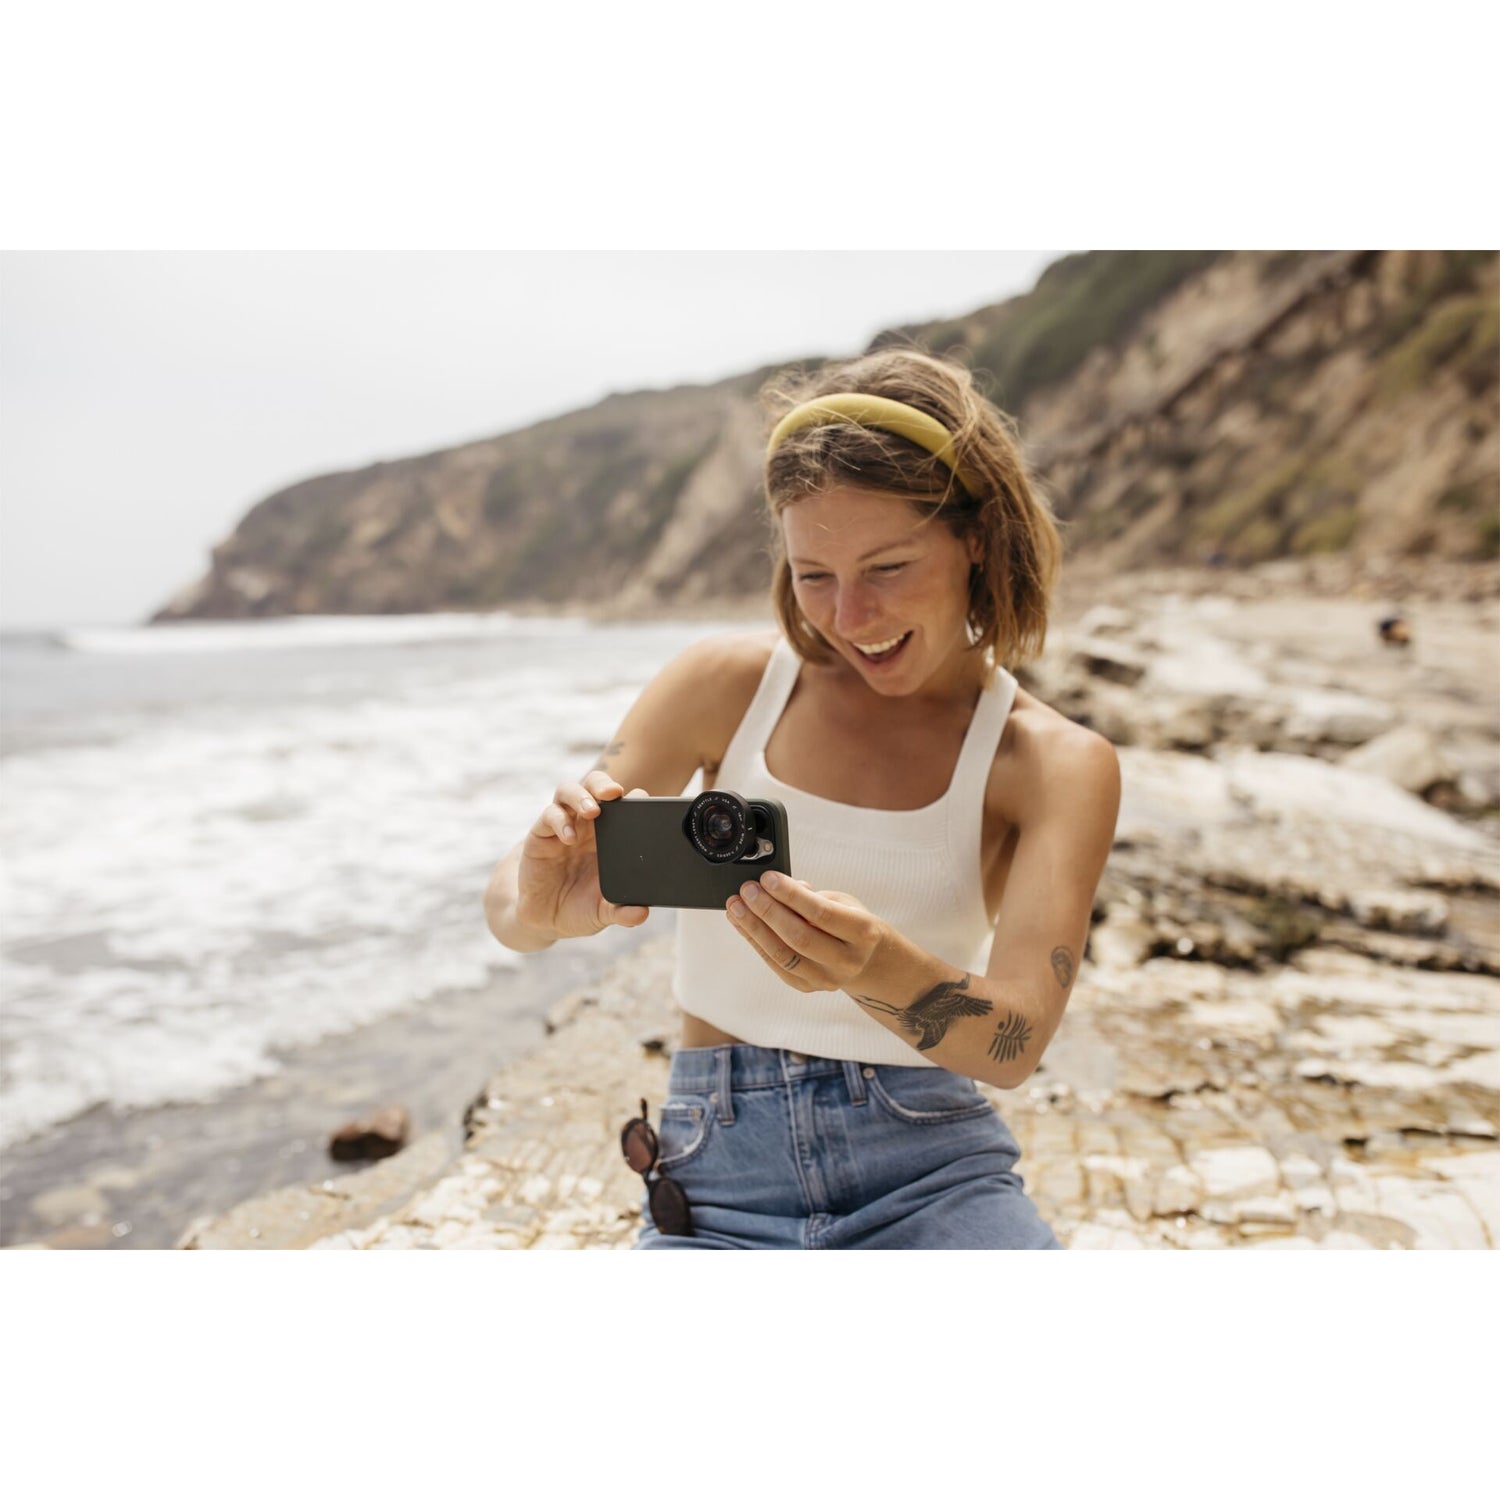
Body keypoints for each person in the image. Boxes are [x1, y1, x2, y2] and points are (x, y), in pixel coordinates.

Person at [483, 347, 1121, 1249]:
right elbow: (510, 910)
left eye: (888, 568)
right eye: (814, 574)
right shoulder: (723, 684)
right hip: (712, 1174)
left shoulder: (1055, 763)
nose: (848, 616)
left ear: (978, 539)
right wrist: (544, 905)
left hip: (931, 1169)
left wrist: (874, 968)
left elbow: (1012, 1044)